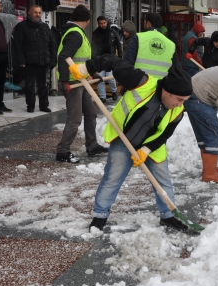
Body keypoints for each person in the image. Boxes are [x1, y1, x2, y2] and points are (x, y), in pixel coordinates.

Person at [66, 53, 194, 232]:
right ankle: (100, 215)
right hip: (123, 138)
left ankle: (169, 215)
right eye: (179, 100)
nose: (181, 105)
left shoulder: (177, 111)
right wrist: (86, 68)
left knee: (163, 181)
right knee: (112, 178)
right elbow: (110, 59)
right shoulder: (141, 81)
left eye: (184, 101)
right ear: (167, 91)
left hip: (151, 146)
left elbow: (165, 135)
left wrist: (146, 150)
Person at [56, 4, 109, 163]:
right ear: (87, 20)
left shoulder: (78, 32)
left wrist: (93, 73)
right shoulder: (75, 34)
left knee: (91, 113)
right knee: (75, 118)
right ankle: (63, 151)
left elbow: (83, 60)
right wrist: (65, 80)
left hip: (82, 81)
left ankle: (92, 146)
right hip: (73, 84)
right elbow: (63, 57)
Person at [13, 5, 56, 113]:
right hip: (29, 62)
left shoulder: (45, 27)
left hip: (43, 62)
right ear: (29, 13)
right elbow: (17, 46)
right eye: (35, 12)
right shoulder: (22, 27)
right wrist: (21, 61)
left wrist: (52, 59)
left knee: (44, 86)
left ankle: (44, 105)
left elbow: (52, 44)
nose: (38, 15)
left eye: (39, 13)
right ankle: (30, 105)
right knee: (29, 86)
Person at [124, 13, 180, 79]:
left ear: (148, 24)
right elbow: (178, 70)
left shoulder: (138, 38)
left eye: (144, 22)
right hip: (162, 86)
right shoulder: (171, 45)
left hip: (141, 85)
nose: (143, 25)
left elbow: (127, 64)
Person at [92, 16, 122, 103]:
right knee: (100, 79)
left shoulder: (112, 33)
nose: (103, 25)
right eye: (101, 23)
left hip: (110, 59)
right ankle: (102, 97)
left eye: (104, 23)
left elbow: (118, 46)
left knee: (111, 78)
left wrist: (119, 58)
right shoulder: (95, 34)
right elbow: (93, 48)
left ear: (107, 22)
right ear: (98, 24)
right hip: (99, 59)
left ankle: (114, 92)